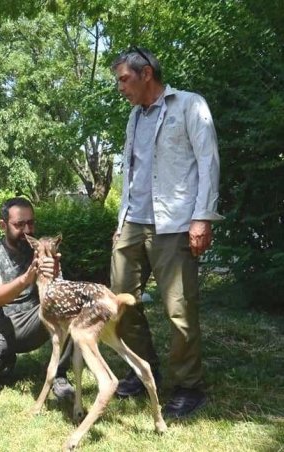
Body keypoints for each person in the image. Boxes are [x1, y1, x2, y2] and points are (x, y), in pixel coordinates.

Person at [110, 48, 223, 419]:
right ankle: (143, 369)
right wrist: (120, 222)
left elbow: (208, 162)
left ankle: (188, 387)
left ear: (147, 75)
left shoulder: (190, 106)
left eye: (124, 79)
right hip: (133, 221)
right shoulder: (133, 117)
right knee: (121, 300)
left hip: (174, 223)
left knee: (180, 309)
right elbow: (131, 174)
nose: (120, 87)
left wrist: (202, 217)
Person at [0, 197, 74, 399]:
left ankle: (59, 373)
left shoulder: (41, 249)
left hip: (32, 321)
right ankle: (2, 358)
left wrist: (54, 274)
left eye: (31, 222)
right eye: (20, 224)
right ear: (3, 225)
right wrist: (26, 279)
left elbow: (58, 296)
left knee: (69, 307)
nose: (27, 230)